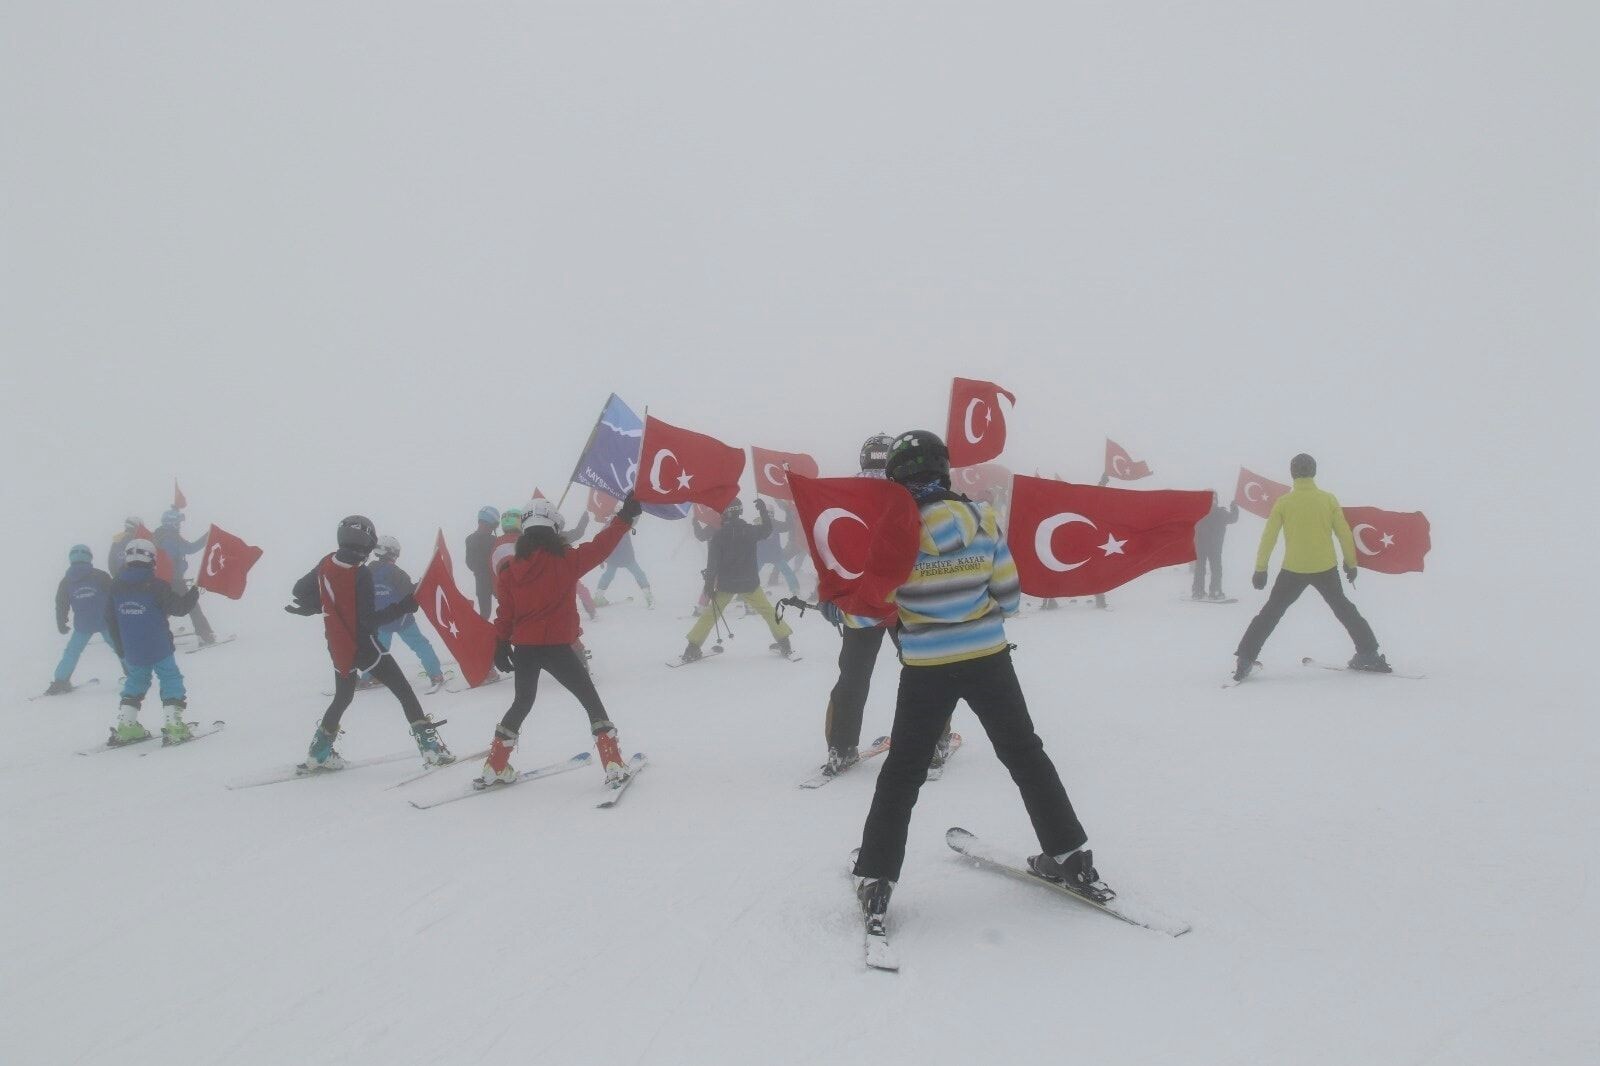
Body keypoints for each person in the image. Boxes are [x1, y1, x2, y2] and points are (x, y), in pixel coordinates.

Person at [852, 430, 1110, 933]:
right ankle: (1072, 857)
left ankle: (878, 880)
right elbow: (1010, 596)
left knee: (903, 773)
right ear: (944, 470)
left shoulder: (893, 529)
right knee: (1025, 755)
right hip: (989, 659)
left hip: (926, 667)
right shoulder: (983, 517)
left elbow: (867, 612)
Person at [483, 496, 641, 787]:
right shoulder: (568, 560)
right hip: (559, 648)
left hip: (526, 649)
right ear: (554, 529)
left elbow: (506, 612)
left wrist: (501, 644)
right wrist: (625, 517)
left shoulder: (508, 571)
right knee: (590, 701)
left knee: (522, 702)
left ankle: (494, 766)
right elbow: (602, 545)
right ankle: (614, 764)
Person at [285, 516, 453, 770]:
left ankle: (319, 752)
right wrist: (405, 606)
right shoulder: (359, 573)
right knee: (404, 691)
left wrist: (318, 605)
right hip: (363, 646)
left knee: (343, 697)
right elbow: (369, 621)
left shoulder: (327, 562)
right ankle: (431, 751)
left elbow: (300, 590)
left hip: (337, 645)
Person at [1232, 453, 1390, 680]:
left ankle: (1245, 660)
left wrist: (1261, 569)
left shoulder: (1284, 502)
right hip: (1325, 567)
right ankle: (1369, 653)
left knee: (1270, 613)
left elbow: (1269, 537)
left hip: (1293, 569)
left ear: (1292, 473)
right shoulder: (1327, 500)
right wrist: (1351, 563)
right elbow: (1344, 533)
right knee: (1344, 609)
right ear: (1314, 472)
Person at [816, 434, 899, 776]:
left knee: (852, 677)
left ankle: (841, 748)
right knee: (926, 674)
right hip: (903, 602)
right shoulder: (907, 492)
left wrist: (827, 594)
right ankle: (934, 744)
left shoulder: (842, 494)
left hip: (859, 604)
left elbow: (828, 547)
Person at [103, 538, 201, 745]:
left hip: (132, 648)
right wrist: (195, 592)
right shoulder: (157, 586)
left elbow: (110, 620)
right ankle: (174, 725)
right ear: (151, 560)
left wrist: (120, 648)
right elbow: (179, 608)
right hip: (158, 645)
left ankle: (127, 726)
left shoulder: (115, 587)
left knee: (136, 681)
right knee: (170, 679)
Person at [678, 497, 794, 662]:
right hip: (750, 584)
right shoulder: (750, 530)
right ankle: (785, 643)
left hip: (727, 585)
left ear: (725, 513)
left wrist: (709, 586)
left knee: (710, 615)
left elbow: (712, 565)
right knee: (768, 612)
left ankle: (692, 648)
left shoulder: (719, 536)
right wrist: (763, 512)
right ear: (739, 512)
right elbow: (768, 530)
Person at [366, 536, 447, 689]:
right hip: (402, 619)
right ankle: (435, 674)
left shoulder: (368, 570)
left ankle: (370, 677)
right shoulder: (396, 573)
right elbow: (409, 593)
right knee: (421, 645)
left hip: (380, 620)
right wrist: (422, 583)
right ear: (394, 553)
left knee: (377, 649)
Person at [45, 545, 116, 696]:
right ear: (89, 557)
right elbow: (115, 595)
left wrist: (61, 622)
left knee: (72, 652)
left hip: (83, 624)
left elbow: (61, 603)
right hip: (106, 621)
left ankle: (60, 681)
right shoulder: (100, 575)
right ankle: (135, 675)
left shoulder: (66, 581)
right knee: (119, 647)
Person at [152, 508, 218, 646]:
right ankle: (205, 635)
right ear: (171, 523)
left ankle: (153, 634)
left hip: (160, 580)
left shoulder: (159, 535)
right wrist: (208, 536)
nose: (180, 526)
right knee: (191, 605)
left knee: (163, 607)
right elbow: (190, 548)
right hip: (174, 580)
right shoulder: (170, 538)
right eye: (178, 523)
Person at [594, 510, 654, 608]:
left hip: (620, 557)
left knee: (610, 575)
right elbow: (600, 543)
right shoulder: (618, 524)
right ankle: (648, 596)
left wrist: (638, 509)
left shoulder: (618, 524)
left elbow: (599, 543)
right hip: (622, 557)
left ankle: (598, 597)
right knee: (637, 574)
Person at [1192, 493, 1239, 600]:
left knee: (1200, 568)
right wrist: (1234, 507)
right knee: (1216, 569)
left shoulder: (1198, 512)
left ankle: (1197, 591)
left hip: (1200, 546)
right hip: (1215, 547)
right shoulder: (1220, 512)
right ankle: (1215, 591)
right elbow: (1233, 518)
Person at [465, 506, 500, 619]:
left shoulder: (469, 539)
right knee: (509, 608)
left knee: (485, 614)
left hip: (481, 581)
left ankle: (478, 634)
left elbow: (469, 563)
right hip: (496, 580)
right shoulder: (494, 541)